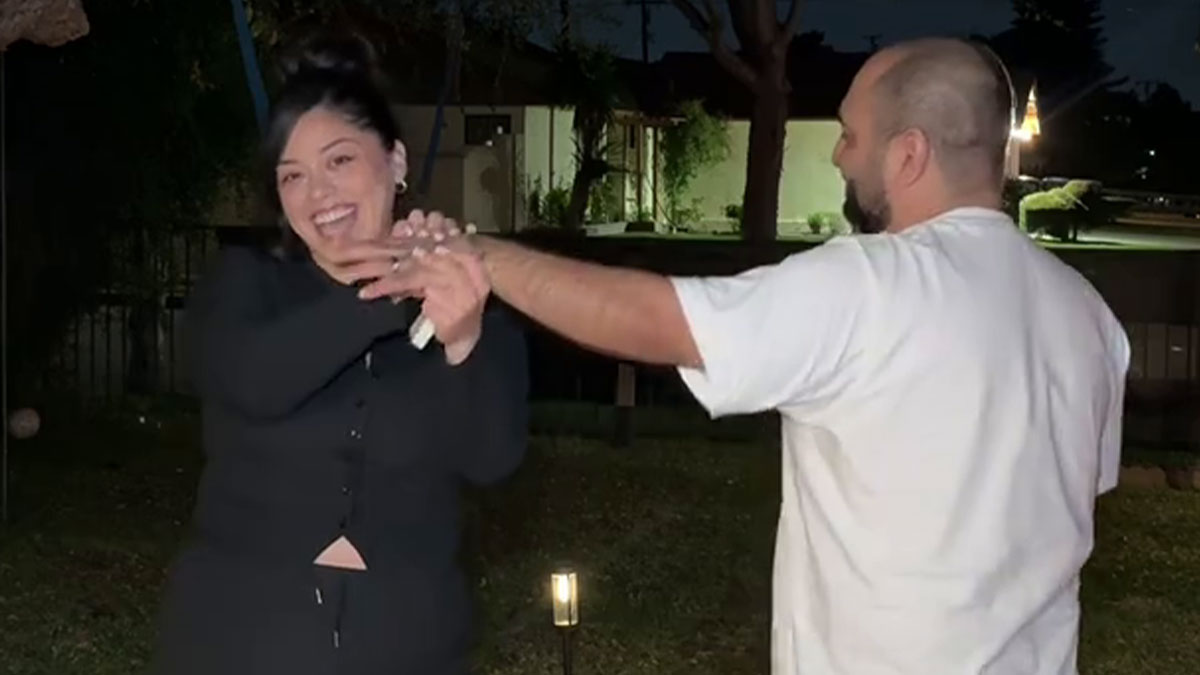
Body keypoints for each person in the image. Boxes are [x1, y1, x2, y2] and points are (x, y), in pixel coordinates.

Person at [369, 38, 1130, 674]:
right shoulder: (1088, 316)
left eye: (850, 134)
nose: (837, 155)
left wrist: (479, 253)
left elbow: (654, 320)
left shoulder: (871, 285)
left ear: (908, 155)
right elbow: (1067, 499)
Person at [151, 33, 528, 675]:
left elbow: (493, 458)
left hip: (408, 646)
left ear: (396, 161)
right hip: (236, 641)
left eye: (339, 160)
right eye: (291, 175)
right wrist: (393, 283)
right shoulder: (245, 286)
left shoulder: (467, 301)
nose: (317, 193)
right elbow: (251, 378)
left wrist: (462, 333)